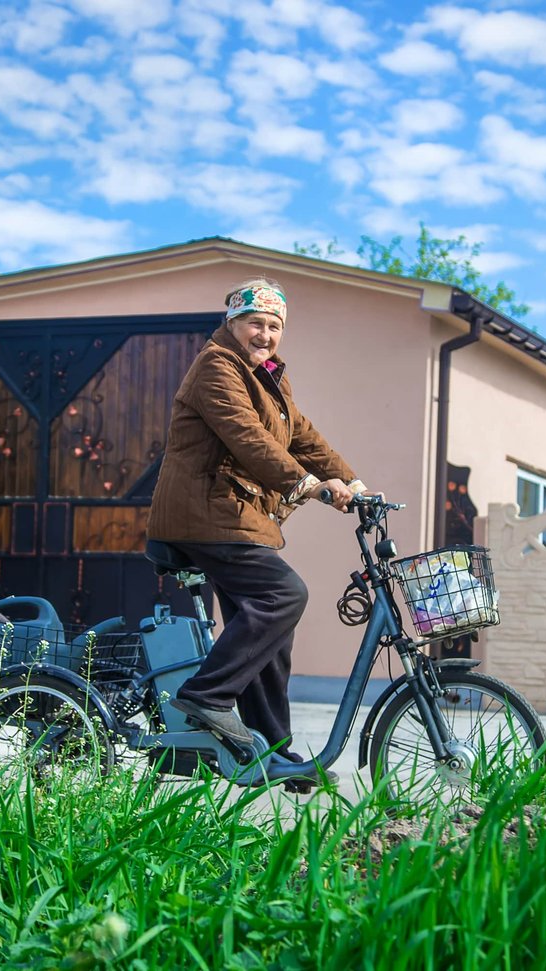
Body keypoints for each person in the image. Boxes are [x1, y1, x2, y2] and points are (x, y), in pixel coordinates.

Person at [147, 277, 378, 769]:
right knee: (283, 596)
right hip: (205, 514)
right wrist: (307, 485)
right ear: (232, 322)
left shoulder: (269, 377)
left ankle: (271, 751)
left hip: (238, 516)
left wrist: (353, 483)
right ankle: (207, 696)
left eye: (275, 326)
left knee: (270, 636)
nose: (266, 335)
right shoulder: (216, 365)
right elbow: (248, 437)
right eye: (256, 323)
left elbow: (304, 436)